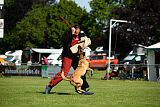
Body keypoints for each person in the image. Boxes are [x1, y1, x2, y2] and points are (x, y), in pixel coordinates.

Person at [45, 25, 94, 95]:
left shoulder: (80, 34)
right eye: (75, 30)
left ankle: (83, 89)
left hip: (75, 57)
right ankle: (49, 86)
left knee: (82, 71)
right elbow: (64, 40)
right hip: (67, 56)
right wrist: (71, 33)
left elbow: (84, 36)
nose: (77, 32)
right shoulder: (68, 34)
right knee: (63, 73)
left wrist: (81, 35)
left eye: (78, 30)